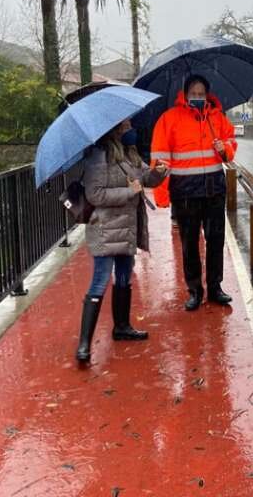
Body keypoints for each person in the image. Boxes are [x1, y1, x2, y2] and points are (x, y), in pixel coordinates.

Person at [76, 119, 169, 362]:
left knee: (125, 278)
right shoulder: (99, 156)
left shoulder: (131, 153)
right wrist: (131, 191)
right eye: (126, 126)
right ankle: (84, 344)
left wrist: (158, 173)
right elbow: (94, 194)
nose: (131, 129)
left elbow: (144, 179)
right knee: (100, 281)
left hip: (127, 227)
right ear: (115, 129)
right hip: (106, 229)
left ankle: (122, 327)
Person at [150, 74, 237, 311]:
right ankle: (195, 290)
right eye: (193, 94)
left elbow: (230, 149)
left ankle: (215, 288)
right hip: (185, 192)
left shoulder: (217, 118)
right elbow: (160, 158)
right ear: (185, 94)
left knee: (216, 240)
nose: (197, 98)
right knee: (189, 244)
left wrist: (224, 148)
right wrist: (161, 194)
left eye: (201, 94)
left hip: (214, 190)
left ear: (207, 95)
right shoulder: (169, 119)